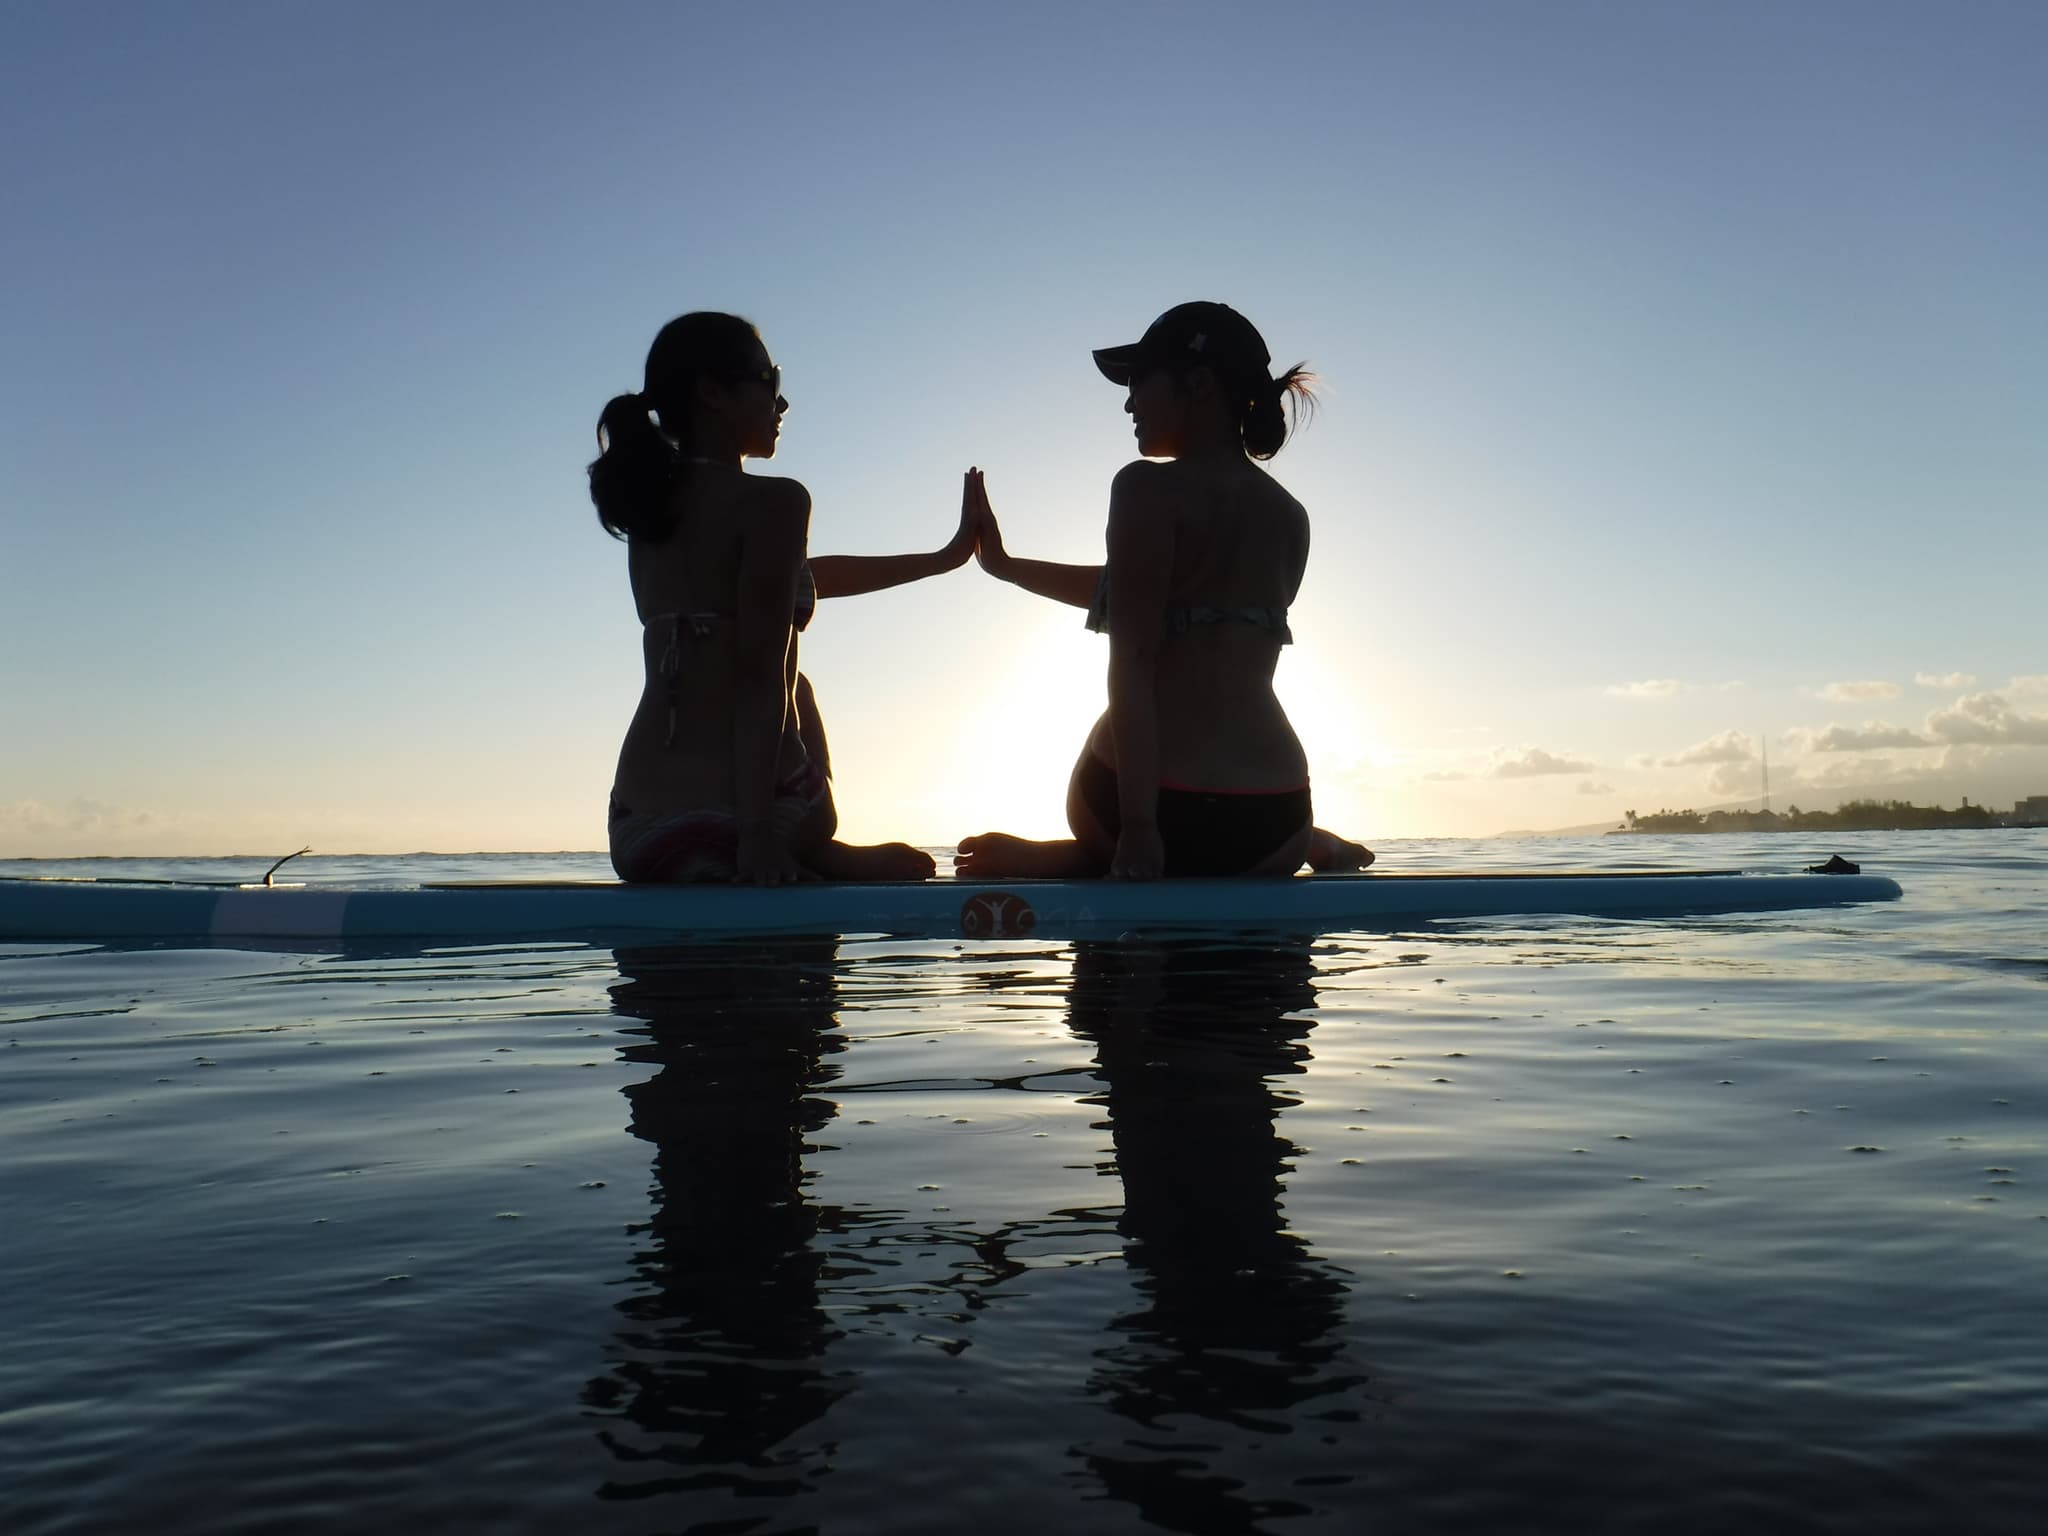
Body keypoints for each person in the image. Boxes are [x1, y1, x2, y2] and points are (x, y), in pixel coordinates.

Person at [956, 302, 1373, 880]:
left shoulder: (1145, 488)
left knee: (1143, 825)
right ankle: (1312, 844)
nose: (1128, 403)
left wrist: (1141, 830)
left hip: (1159, 812)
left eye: (1137, 383)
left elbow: (1135, 656)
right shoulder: (1290, 515)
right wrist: (1004, 565)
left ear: (1198, 383)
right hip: (1275, 819)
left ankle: (1074, 858)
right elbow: (1183, 605)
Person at [588, 311, 970, 885]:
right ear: (712, 392)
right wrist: (757, 839)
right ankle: (814, 849)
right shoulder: (776, 503)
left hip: (639, 828)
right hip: (740, 825)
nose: (782, 403)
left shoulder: (651, 506)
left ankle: (792, 852)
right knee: (796, 686)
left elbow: (803, 577)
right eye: (770, 380)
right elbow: (758, 678)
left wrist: (942, 559)